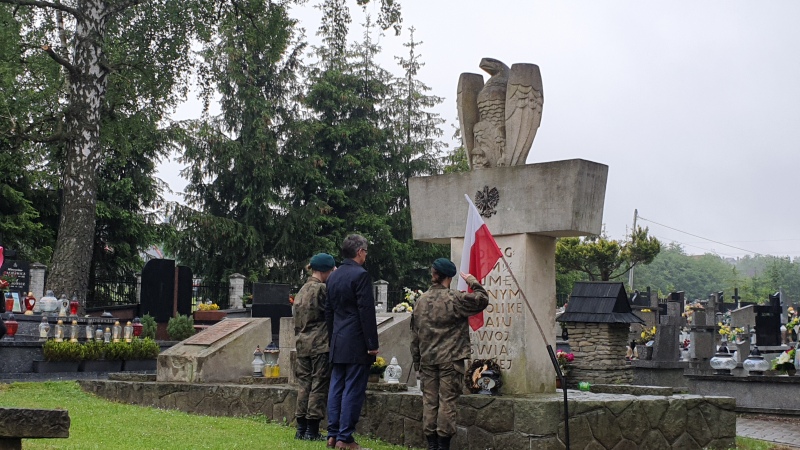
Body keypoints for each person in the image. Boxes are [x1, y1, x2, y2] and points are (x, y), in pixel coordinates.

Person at [410, 258, 489, 450]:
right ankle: (443, 444)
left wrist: (417, 362)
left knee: (430, 402)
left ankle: (431, 444)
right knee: (447, 401)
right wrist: (472, 281)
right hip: (450, 360)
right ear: (449, 277)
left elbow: (414, 335)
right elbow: (482, 299)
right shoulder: (456, 298)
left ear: (434, 274)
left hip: (428, 360)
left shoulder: (421, 301)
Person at [325, 234, 379, 450]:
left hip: (338, 339)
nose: (366, 255)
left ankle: (332, 434)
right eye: (365, 251)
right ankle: (345, 438)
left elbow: (329, 311)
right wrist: (372, 343)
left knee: (336, 386)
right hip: (356, 341)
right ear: (359, 252)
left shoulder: (333, 276)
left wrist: (333, 338)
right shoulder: (361, 275)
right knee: (353, 389)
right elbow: (366, 312)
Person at [293, 253, 336, 441]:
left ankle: (300, 428)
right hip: (320, 344)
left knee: (304, 385)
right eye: (332, 269)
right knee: (319, 384)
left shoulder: (301, 290)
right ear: (326, 270)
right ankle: (312, 430)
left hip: (302, 344)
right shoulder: (322, 290)